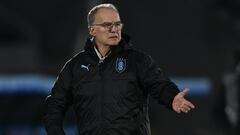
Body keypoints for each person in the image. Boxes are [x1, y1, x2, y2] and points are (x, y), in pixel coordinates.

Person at [43, 3, 195, 135]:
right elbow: (55, 105)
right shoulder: (75, 66)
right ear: (92, 30)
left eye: (117, 24)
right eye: (107, 25)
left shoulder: (138, 61)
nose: (114, 29)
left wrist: (172, 97)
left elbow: (159, 84)